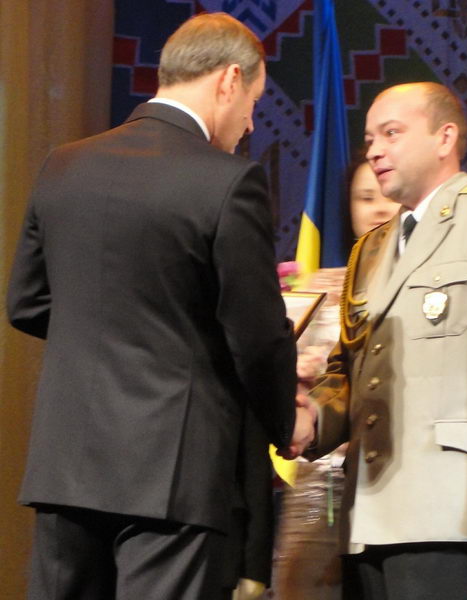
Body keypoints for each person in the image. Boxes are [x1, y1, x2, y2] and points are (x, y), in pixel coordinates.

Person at [5, 12, 312, 599]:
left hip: (65, 467)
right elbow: (256, 337)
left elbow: (27, 302)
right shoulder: (228, 182)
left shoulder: (63, 165)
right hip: (174, 477)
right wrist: (288, 420)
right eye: (253, 102)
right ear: (229, 80)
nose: (250, 124)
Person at [297, 82, 467, 600]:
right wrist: (309, 419)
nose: (375, 151)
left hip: (451, 508)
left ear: (445, 138)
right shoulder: (370, 248)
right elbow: (351, 371)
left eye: (391, 134)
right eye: (370, 139)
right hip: (367, 511)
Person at [270, 157, 400, 600]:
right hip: (318, 480)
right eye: (364, 197)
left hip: (389, 477)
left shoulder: (422, 291)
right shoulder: (317, 288)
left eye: (385, 195)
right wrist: (295, 372)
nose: (378, 207)